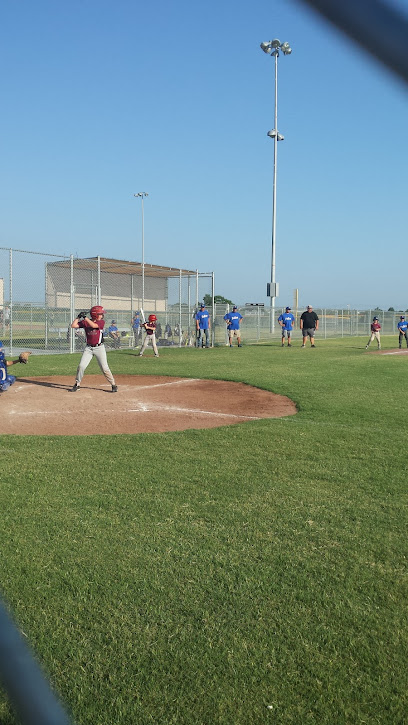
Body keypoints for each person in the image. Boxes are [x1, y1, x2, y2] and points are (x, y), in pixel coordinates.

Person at [70, 306, 117, 392]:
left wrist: (85, 318)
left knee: (104, 368)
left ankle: (113, 384)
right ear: (95, 315)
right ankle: (77, 384)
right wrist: (78, 317)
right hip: (88, 348)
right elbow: (73, 325)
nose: (102, 315)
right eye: (100, 314)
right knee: (81, 366)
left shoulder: (101, 322)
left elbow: (94, 325)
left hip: (99, 348)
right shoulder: (85, 322)